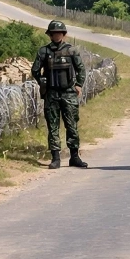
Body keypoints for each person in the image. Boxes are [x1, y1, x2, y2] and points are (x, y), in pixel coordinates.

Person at [30, 20, 88, 169]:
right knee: (53, 126)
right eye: (54, 33)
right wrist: (42, 82)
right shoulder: (44, 51)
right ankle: (55, 157)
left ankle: (74, 156)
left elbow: (81, 69)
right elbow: (35, 70)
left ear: (63, 34)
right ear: (50, 35)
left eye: (59, 33)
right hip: (52, 93)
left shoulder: (72, 51)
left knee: (72, 125)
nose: (56, 35)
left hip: (68, 93)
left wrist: (78, 85)